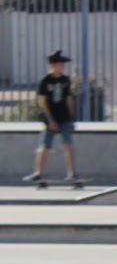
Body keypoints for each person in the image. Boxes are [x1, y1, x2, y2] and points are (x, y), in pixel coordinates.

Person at [27, 50, 81, 184]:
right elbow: (43, 102)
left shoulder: (65, 80)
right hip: (50, 118)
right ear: (54, 65)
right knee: (44, 146)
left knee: (68, 144)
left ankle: (71, 173)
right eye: (61, 63)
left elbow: (69, 98)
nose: (63, 66)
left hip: (64, 118)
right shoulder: (45, 81)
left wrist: (72, 116)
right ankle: (37, 173)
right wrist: (50, 120)